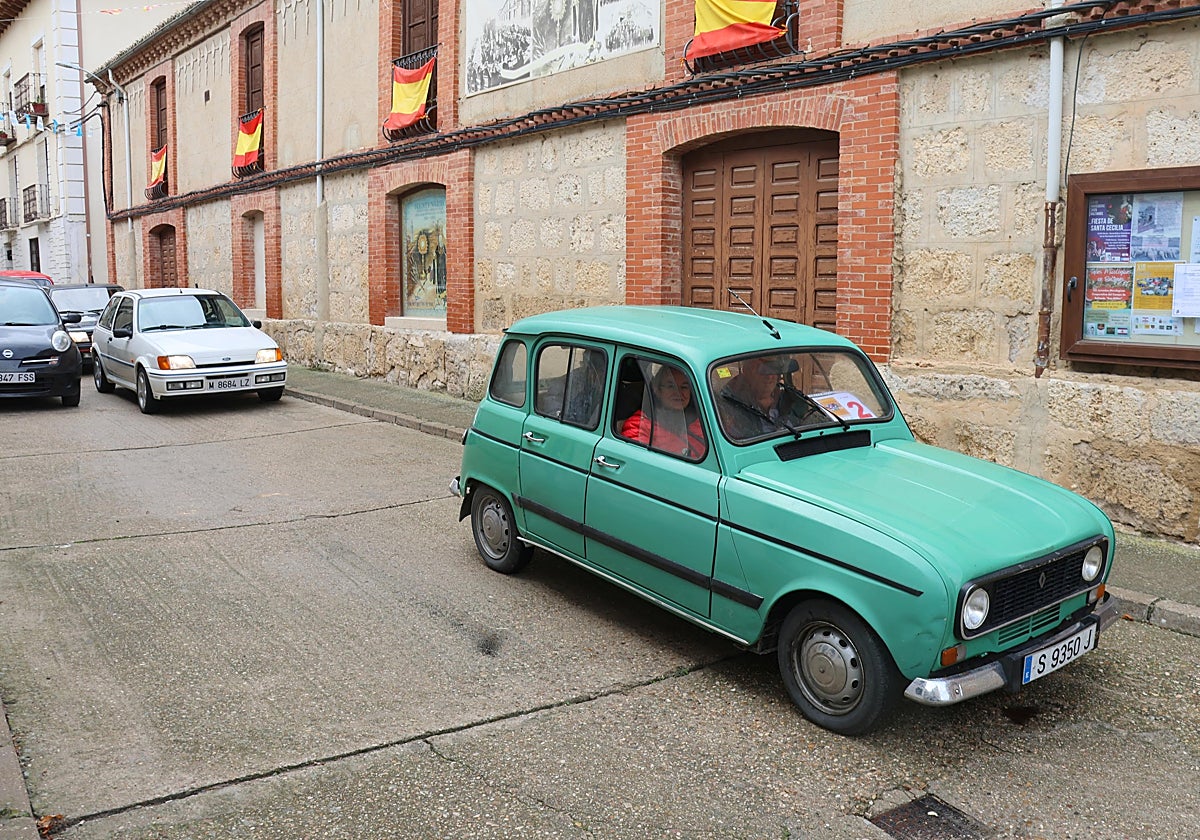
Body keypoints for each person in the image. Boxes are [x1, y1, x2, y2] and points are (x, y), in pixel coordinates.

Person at [620, 364, 706, 459]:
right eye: (671, 386)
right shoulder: (639, 425)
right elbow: (642, 463)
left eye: (684, 387)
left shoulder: (701, 421)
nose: (678, 392)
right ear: (657, 390)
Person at [716, 355, 805, 440]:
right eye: (762, 370)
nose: (770, 376)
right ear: (747, 372)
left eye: (773, 369)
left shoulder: (790, 400)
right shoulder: (731, 406)